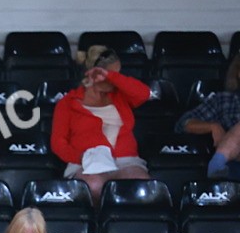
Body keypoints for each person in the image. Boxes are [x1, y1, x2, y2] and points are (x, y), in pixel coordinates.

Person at [51, 45, 153, 203]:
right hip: (86, 163)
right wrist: (82, 158)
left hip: (125, 161)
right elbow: (58, 143)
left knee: (139, 182)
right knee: (93, 185)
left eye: (117, 73)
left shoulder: (120, 95)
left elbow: (144, 94)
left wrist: (112, 77)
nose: (115, 77)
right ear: (93, 75)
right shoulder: (67, 103)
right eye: (111, 73)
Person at [176, 53, 240, 179]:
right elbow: (183, 124)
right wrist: (212, 126)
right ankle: (217, 168)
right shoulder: (225, 100)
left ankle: (217, 165)